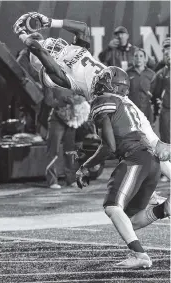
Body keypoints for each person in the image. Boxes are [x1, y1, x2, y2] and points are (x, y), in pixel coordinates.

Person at [13, 12, 171, 189]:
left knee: (157, 145)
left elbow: (82, 28)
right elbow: (37, 49)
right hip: (106, 104)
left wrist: (51, 21)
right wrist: (21, 33)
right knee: (130, 147)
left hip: (120, 95)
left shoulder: (71, 50)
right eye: (48, 46)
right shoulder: (56, 75)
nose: (51, 43)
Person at [76, 66, 170, 269]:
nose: (100, 81)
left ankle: (140, 256)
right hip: (150, 161)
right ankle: (163, 209)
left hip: (134, 158)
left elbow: (109, 146)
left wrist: (85, 166)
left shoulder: (103, 101)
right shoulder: (126, 106)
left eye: (105, 78)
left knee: (112, 207)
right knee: (131, 221)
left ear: (114, 85)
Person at [151, 37, 170, 182]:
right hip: (166, 111)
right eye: (166, 53)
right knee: (166, 140)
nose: (168, 55)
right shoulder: (161, 73)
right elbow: (153, 91)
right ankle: (167, 171)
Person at [127, 48, 155, 124]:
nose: (138, 58)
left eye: (141, 56)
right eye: (136, 56)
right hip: (131, 111)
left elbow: (154, 94)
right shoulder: (127, 73)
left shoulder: (151, 74)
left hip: (147, 111)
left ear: (145, 59)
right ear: (133, 58)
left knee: (147, 134)